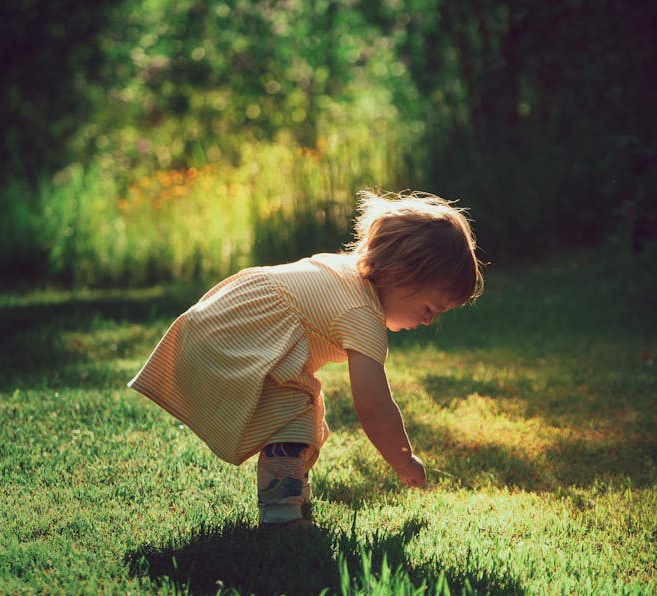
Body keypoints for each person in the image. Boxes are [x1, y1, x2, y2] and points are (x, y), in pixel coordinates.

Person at [128, 189, 483, 527]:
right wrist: (403, 459)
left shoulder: (344, 272)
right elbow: (374, 406)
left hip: (218, 324)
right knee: (294, 413)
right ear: (400, 275)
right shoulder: (362, 315)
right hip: (233, 340)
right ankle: (281, 517)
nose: (428, 321)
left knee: (305, 405)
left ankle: (292, 494)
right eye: (429, 308)